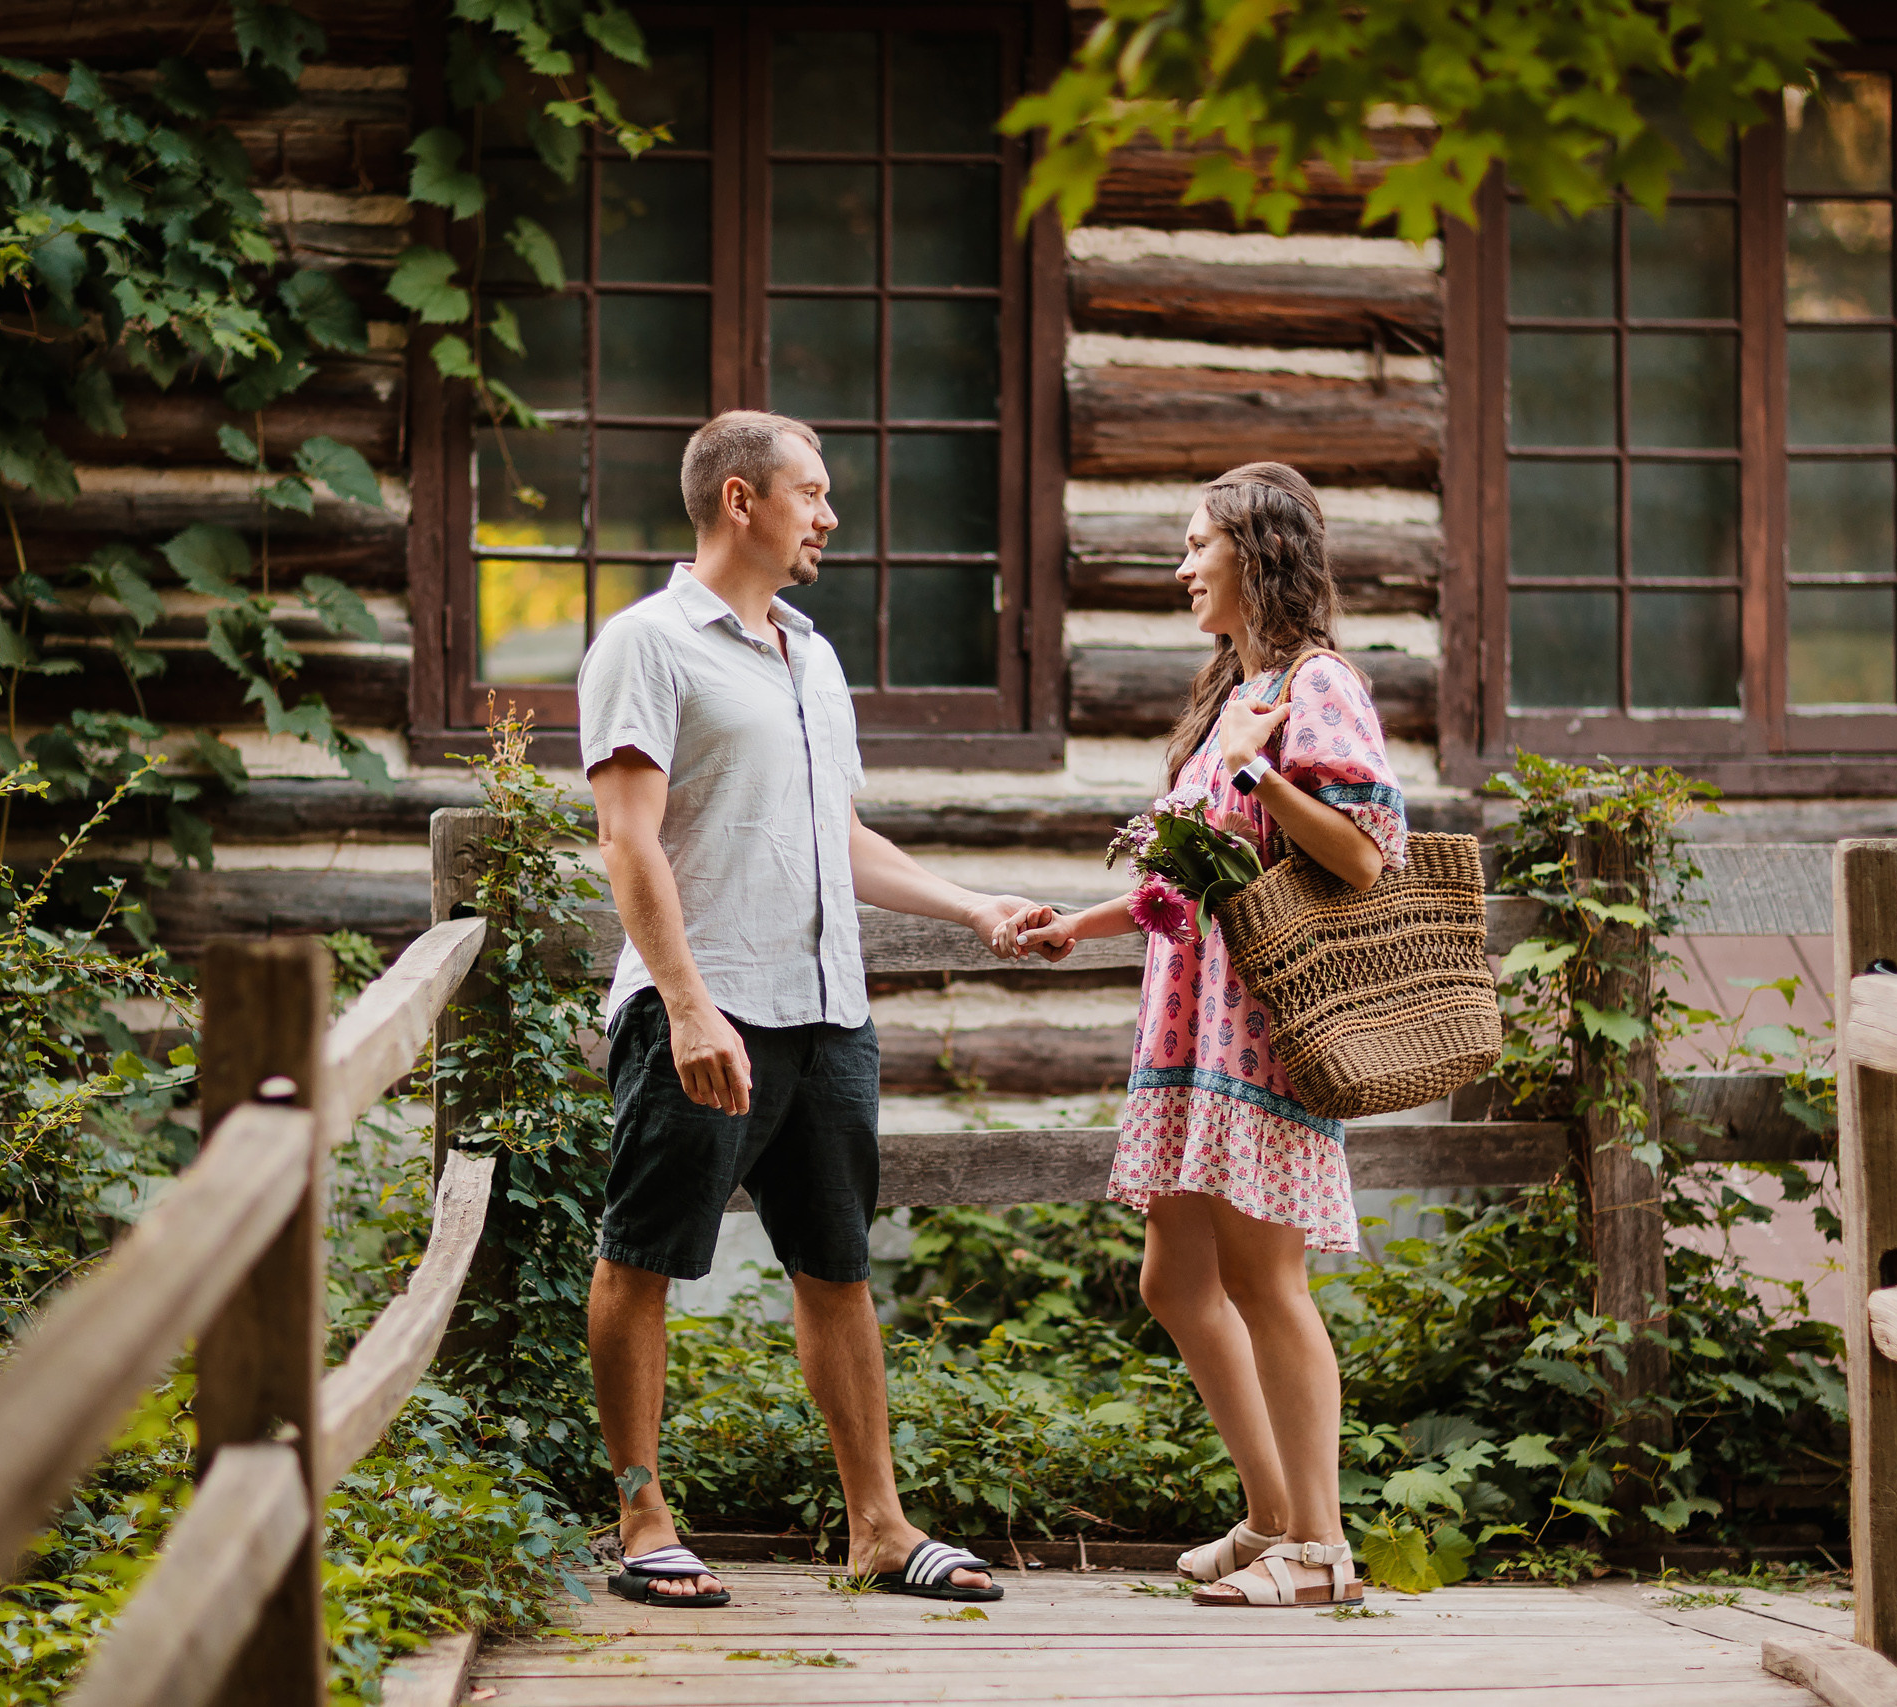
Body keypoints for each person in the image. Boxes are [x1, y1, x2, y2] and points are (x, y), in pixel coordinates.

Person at [580, 409, 1039, 1609]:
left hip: (830, 1013)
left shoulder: (810, 657)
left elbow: (838, 835)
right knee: (641, 1257)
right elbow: (628, 841)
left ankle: (879, 1529)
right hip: (703, 1009)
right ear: (741, 500)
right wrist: (687, 1007)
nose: (830, 516)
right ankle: (642, 1518)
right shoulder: (647, 645)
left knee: (835, 1268)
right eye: (812, 493)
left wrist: (973, 907)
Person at [1016, 463, 1406, 1608]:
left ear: (1257, 550)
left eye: (1197, 545)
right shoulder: (1237, 688)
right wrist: (1078, 924)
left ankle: (1320, 1550)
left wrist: (1252, 770)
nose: (1181, 567)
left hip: (1260, 1031)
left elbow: (1365, 854)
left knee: (1264, 1278)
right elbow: (1189, 872)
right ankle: (1273, 1515)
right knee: (1175, 1278)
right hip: (1192, 1027)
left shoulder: (1315, 684)